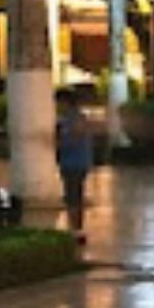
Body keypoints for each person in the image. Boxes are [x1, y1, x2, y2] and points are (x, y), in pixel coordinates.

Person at [56, 88, 95, 242]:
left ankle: (76, 229)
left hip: (75, 162)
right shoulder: (66, 119)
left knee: (74, 196)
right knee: (72, 195)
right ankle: (74, 227)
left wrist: (56, 145)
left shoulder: (76, 118)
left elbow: (74, 139)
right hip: (69, 161)